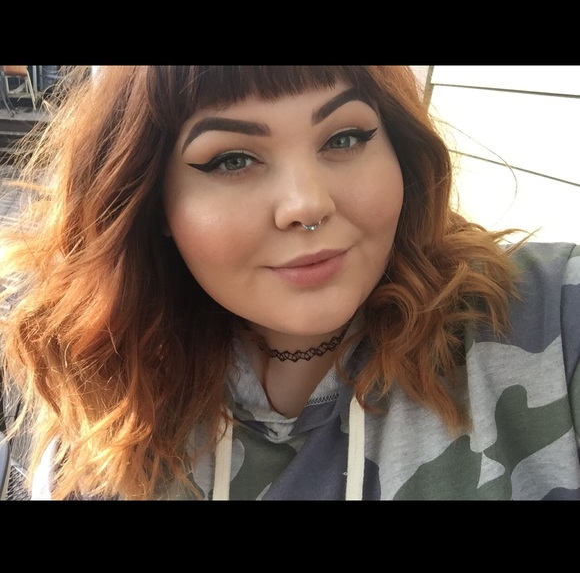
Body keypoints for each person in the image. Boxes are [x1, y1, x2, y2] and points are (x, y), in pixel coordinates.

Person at [0, 65, 578, 501]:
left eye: (344, 138)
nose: (307, 204)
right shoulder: (99, 394)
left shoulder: (550, 314)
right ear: (151, 202)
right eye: (232, 159)